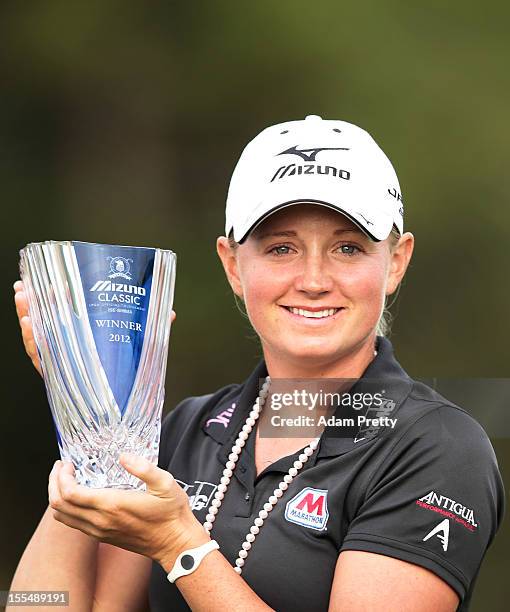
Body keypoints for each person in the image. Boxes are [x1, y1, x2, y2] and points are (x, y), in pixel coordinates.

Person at [10, 115, 504, 612]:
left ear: (396, 262)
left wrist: (180, 545)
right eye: (281, 248)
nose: (313, 279)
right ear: (232, 265)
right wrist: (85, 406)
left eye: (348, 248)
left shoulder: (436, 448)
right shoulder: (189, 428)